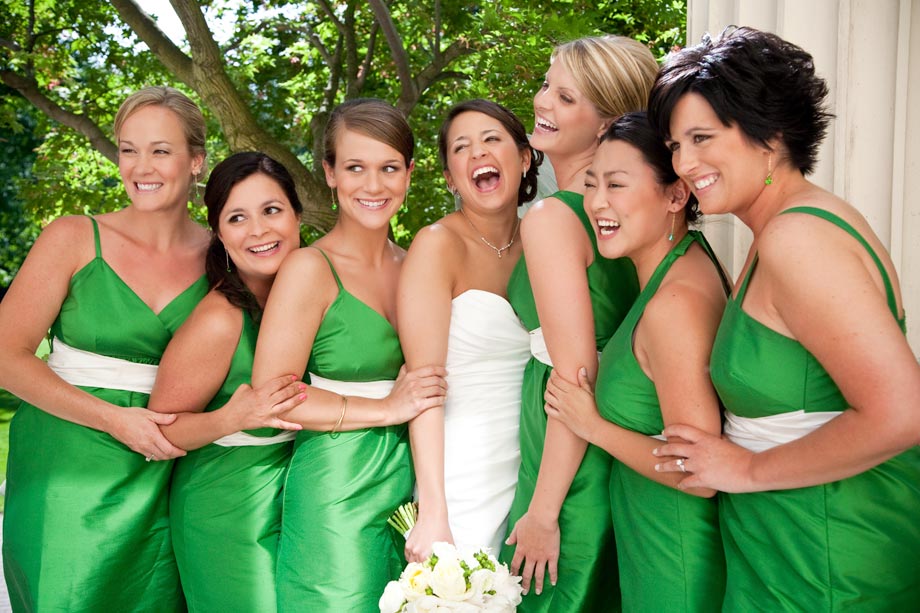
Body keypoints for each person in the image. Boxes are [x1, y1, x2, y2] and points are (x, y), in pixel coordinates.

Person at [648, 26, 920, 610]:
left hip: (825, 547)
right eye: (674, 145)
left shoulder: (797, 237)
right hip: (793, 537)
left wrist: (746, 468)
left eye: (701, 137)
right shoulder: (790, 224)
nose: (685, 163)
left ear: (768, 134)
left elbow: (902, 413)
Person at [0, 86, 209, 611]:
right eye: (128, 148)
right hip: (68, 469)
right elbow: (6, 356)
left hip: (176, 471)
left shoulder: (225, 255)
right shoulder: (72, 238)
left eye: (160, 150)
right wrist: (115, 420)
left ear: (196, 162)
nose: (142, 166)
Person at [250, 98, 448, 612]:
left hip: (415, 479)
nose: (374, 186)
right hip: (338, 483)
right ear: (330, 173)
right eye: (356, 168)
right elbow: (275, 398)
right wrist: (386, 409)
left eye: (388, 168)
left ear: (409, 172)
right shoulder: (308, 268)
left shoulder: (418, 266)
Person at [543, 112, 729, 611]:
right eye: (591, 183)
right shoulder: (684, 262)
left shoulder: (675, 306)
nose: (597, 202)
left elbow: (700, 474)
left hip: (676, 558)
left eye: (617, 184)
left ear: (675, 195)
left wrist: (592, 425)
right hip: (653, 543)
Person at [499, 35, 657, 612]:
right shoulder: (626, 213)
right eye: (548, 85)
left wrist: (543, 510)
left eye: (566, 97)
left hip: (567, 450)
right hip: (604, 433)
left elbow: (575, 374)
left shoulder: (554, 218)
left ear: (607, 124)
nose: (543, 101)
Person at [147, 152, 307, 612]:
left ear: (297, 214)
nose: (258, 231)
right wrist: (232, 417)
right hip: (228, 506)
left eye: (271, 210)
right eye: (238, 218)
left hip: (296, 493)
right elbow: (161, 428)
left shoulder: (310, 293)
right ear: (219, 233)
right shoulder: (220, 319)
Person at [399, 99, 540, 559]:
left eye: (491, 139)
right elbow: (424, 385)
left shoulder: (544, 240)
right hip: (462, 468)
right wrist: (435, 510)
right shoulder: (436, 245)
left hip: (532, 460)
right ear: (449, 176)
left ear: (523, 158)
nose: (478, 153)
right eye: (462, 147)